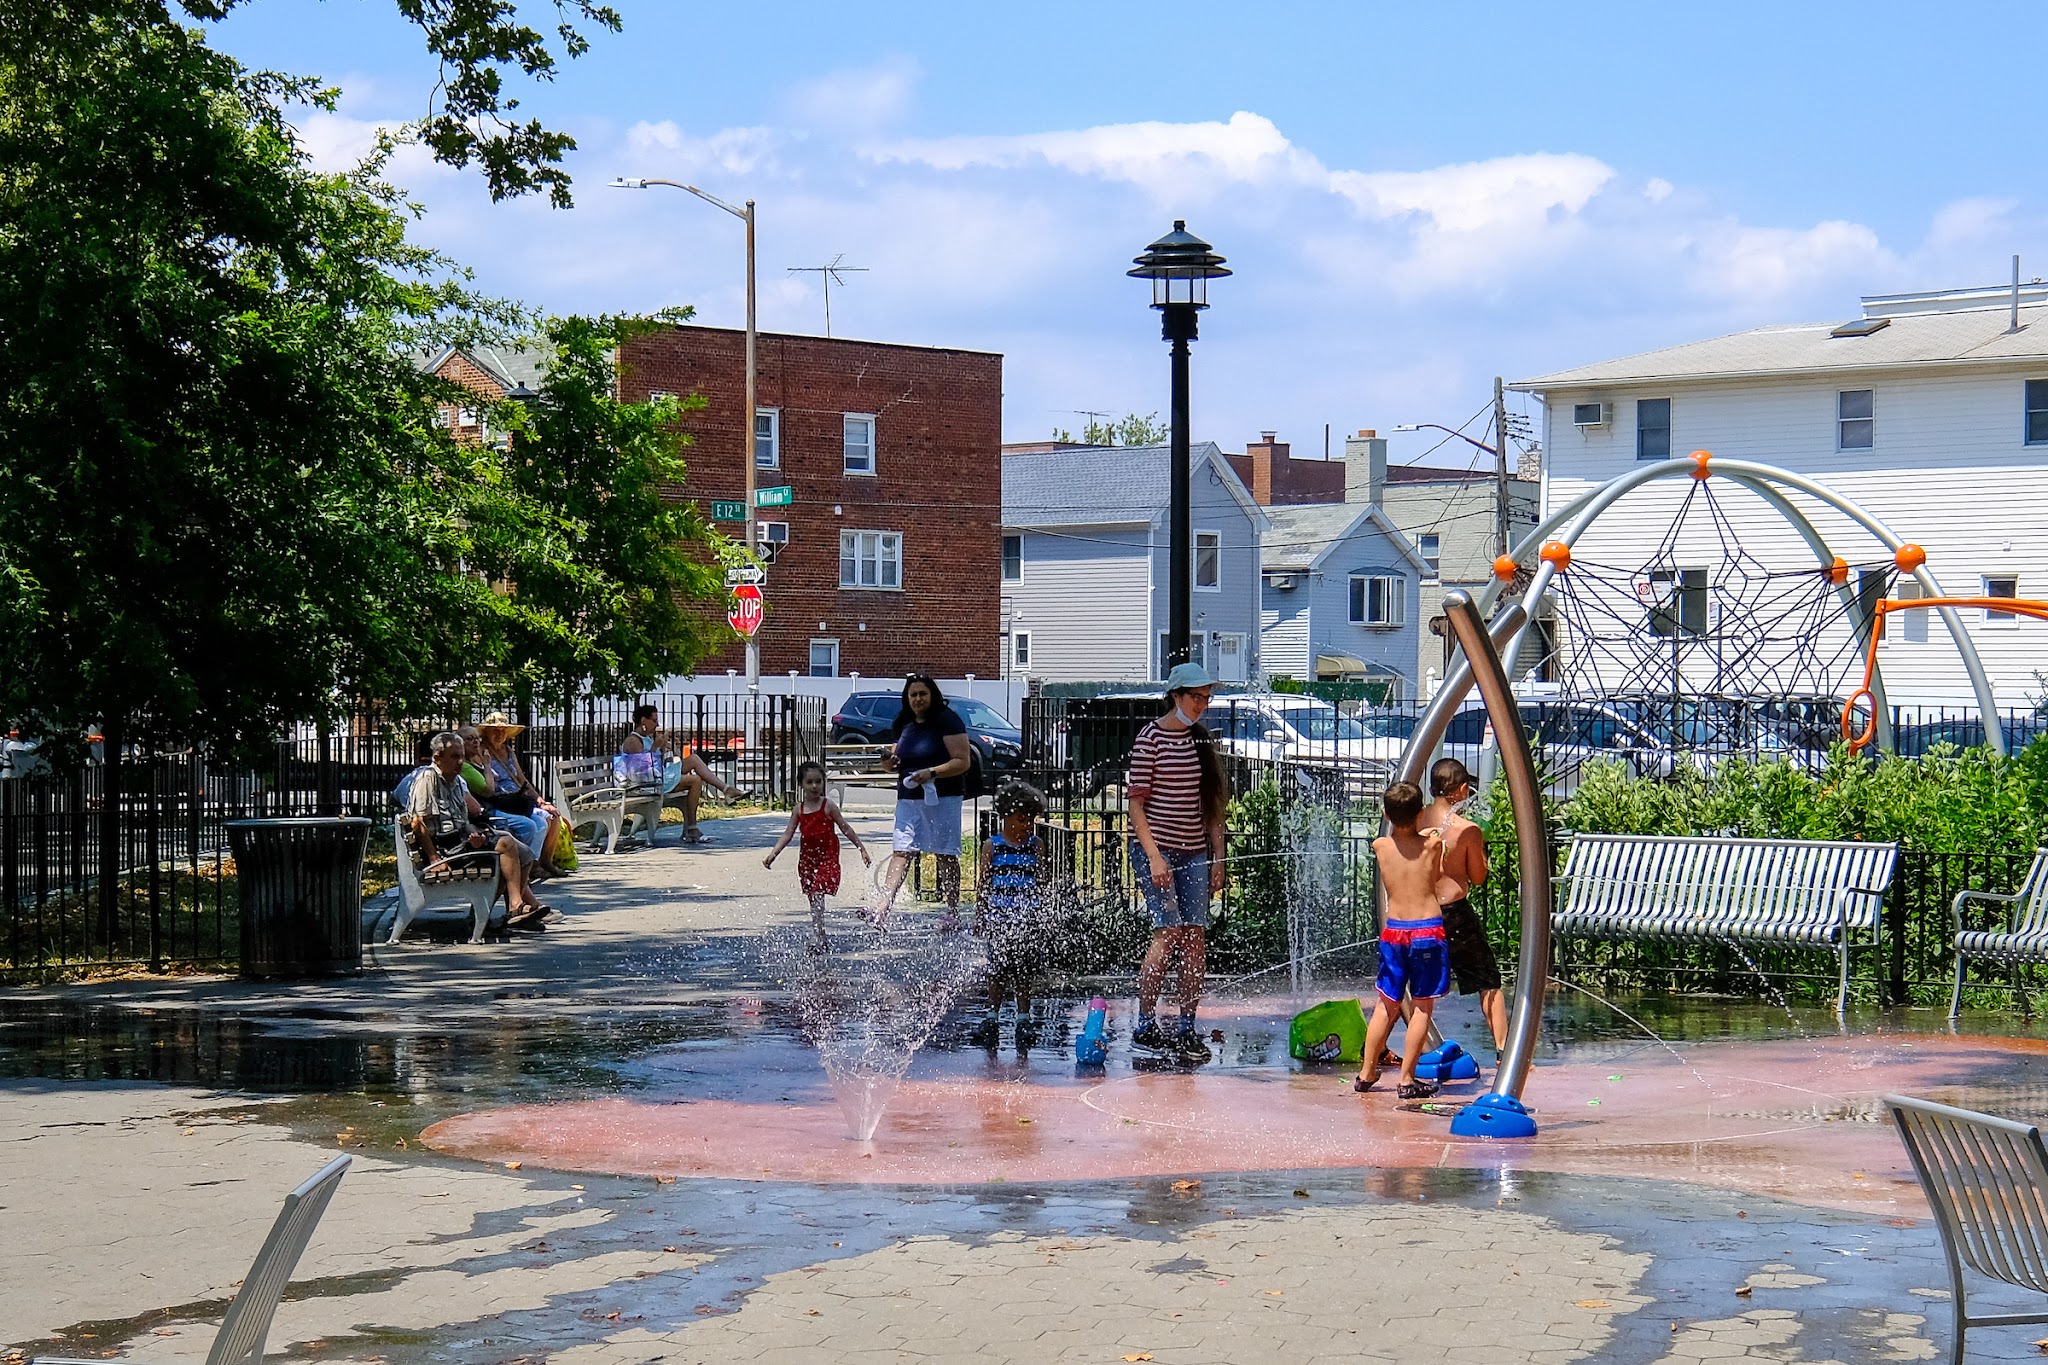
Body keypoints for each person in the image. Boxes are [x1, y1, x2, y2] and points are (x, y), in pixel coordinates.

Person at [1128, 661, 1229, 1063]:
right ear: (1176, 696)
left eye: (1207, 697)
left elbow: (1213, 808)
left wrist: (1218, 858)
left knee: (1195, 937)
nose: (1202, 704)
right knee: (1167, 932)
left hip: (1194, 851)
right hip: (1159, 850)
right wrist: (1154, 857)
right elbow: (1136, 805)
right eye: (1196, 697)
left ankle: (1187, 1024)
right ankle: (1145, 1021)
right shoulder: (1150, 739)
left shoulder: (1201, 741)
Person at [1356, 781, 1448, 1099]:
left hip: (1394, 932)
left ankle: (1367, 1072)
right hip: (1427, 931)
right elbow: (1435, 868)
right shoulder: (1433, 845)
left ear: (1386, 813)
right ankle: (1407, 1079)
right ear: (1420, 813)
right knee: (1422, 1007)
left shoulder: (1380, 846)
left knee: (1386, 1004)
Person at [404, 731, 549, 933]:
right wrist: (434, 858)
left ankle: (492, 914)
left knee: (524, 853)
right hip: (444, 848)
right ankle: (515, 907)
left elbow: (465, 821)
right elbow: (417, 822)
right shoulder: (428, 779)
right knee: (506, 844)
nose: (460, 762)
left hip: (459, 842)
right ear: (437, 758)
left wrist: (474, 834)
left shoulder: (454, 780)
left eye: (462, 756)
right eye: (455, 756)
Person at [873, 675, 974, 930]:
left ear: (932, 695)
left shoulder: (947, 720)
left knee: (944, 853)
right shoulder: (905, 723)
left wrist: (932, 772)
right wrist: (889, 762)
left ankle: (952, 912)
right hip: (909, 797)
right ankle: (882, 906)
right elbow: (895, 759)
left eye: (922, 694)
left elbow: (963, 761)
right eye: (913, 695)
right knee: (901, 850)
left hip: (943, 797)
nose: (918, 699)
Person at [1420, 757, 1506, 1052]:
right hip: (1454, 915)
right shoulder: (1467, 829)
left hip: (1419, 913)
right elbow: (1479, 877)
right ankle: (1503, 1050)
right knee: (1488, 979)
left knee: (1412, 985)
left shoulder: (1416, 820)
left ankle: (1386, 1050)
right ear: (1461, 790)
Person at [974, 779, 1049, 1051]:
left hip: (1026, 917)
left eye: (1030, 820)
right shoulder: (992, 846)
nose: (1025, 826)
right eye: (1020, 820)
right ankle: (992, 1016)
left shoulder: (1036, 845)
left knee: (1024, 970)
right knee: (997, 969)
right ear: (1005, 817)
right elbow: (983, 884)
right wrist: (980, 916)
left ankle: (1023, 1016)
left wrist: (1042, 914)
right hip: (999, 918)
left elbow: (1040, 882)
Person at [764, 759, 870, 946]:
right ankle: (819, 932)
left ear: (823, 783)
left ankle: (819, 936)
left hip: (827, 856)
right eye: (809, 782)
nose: (814, 786)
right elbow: (788, 833)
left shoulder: (828, 806)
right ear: (801, 785)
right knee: (813, 896)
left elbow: (845, 828)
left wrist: (861, 848)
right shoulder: (799, 809)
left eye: (818, 782)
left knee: (818, 892)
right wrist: (773, 854)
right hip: (808, 858)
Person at [619, 703, 748, 845]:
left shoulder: (647, 738)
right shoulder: (633, 740)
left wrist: (663, 749)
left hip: (656, 778)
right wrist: (656, 747)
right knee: (695, 780)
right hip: (645, 784)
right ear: (643, 720)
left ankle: (726, 790)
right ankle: (693, 827)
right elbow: (644, 769)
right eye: (654, 721)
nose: (657, 724)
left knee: (693, 759)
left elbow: (657, 764)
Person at [476, 712, 566, 871]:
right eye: (495, 730)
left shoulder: (508, 751)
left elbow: (521, 779)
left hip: (516, 801)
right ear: (486, 732)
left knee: (552, 816)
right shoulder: (482, 751)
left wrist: (540, 801)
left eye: (503, 731)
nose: (500, 734)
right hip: (499, 802)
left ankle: (542, 862)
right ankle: (527, 866)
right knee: (533, 825)